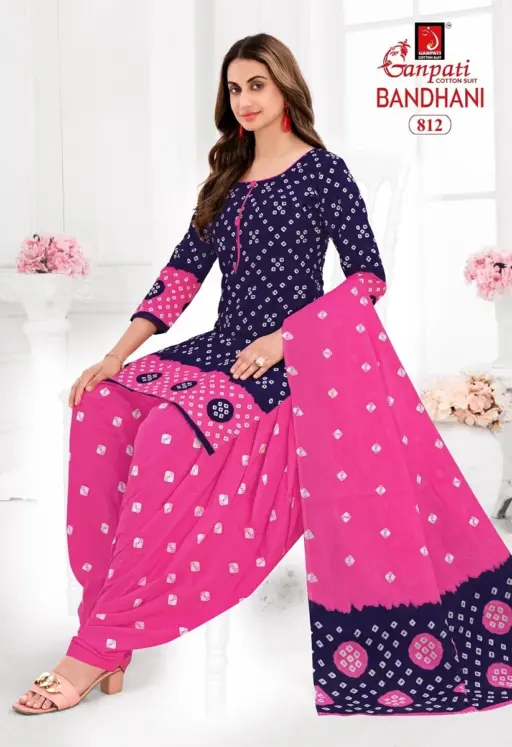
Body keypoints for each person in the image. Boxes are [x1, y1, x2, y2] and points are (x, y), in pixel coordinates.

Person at [13, 32, 512, 718]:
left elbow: (367, 278)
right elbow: (181, 273)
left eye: (256, 84)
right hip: (219, 349)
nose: (244, 99)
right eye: (234, 88)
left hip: (288, 360)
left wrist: (286, 339)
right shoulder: (226, 177)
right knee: (99, 405)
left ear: (284, 87)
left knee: (166, 431)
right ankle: (107, 624)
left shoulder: (323, 172)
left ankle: (98, 644)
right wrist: (115, 355)